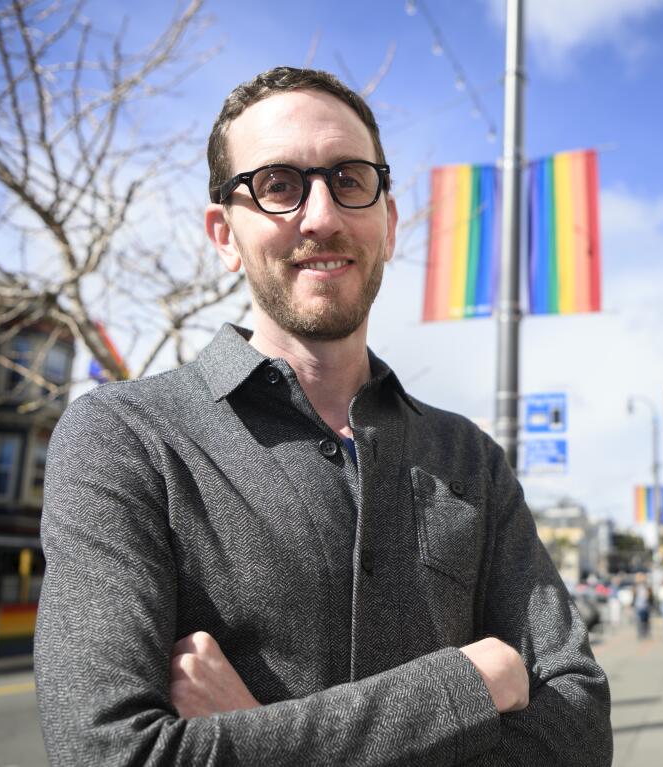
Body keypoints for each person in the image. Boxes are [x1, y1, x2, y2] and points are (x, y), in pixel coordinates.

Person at [33, 67, 611, 766]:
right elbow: (109, 755)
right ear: (224, 234)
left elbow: (578, 724)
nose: (321, 215)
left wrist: (253, 736)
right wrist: (470, 684)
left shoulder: (471, 458)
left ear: (389, 222)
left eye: (349, 179)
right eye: (277, 184)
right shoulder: (125, 438)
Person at [632, 573, 653, 639]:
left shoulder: (647, 586)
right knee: (639, 620)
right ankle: (640, 633)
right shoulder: (636, 586)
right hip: (638, 605)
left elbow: (650, 595)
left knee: (646, 620)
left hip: (646, 605)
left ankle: (646, 633)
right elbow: (633, 594)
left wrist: (648, 595)